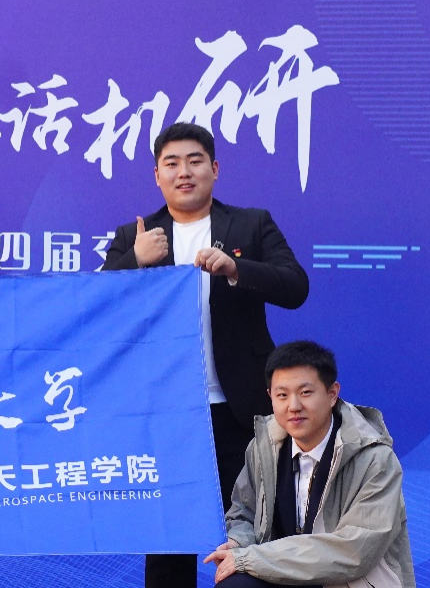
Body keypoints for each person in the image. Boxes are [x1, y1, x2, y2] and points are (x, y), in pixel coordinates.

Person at [101, 122, 309, 587]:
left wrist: (238, 268)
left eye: (195, 161)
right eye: (172, 163)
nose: (184, 172)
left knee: (257, 534)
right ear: (157, 175)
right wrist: (134, 261)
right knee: (169, 543)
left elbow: (296, 287)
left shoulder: (252, 224)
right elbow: (98, 308)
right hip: (166, 413)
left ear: (214, 169)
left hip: (240, 409)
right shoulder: (136, 235)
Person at [204, 341, 414, 588]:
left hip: (347, 581)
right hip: (281, 573)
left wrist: (251, 558)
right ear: (270, 396)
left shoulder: (375, 459)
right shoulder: (263, 447)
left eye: (305, 393)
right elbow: (244, 512)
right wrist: (239, 542)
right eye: (282, 395)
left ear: (332, 394)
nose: (293, 406)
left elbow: (354, 551)